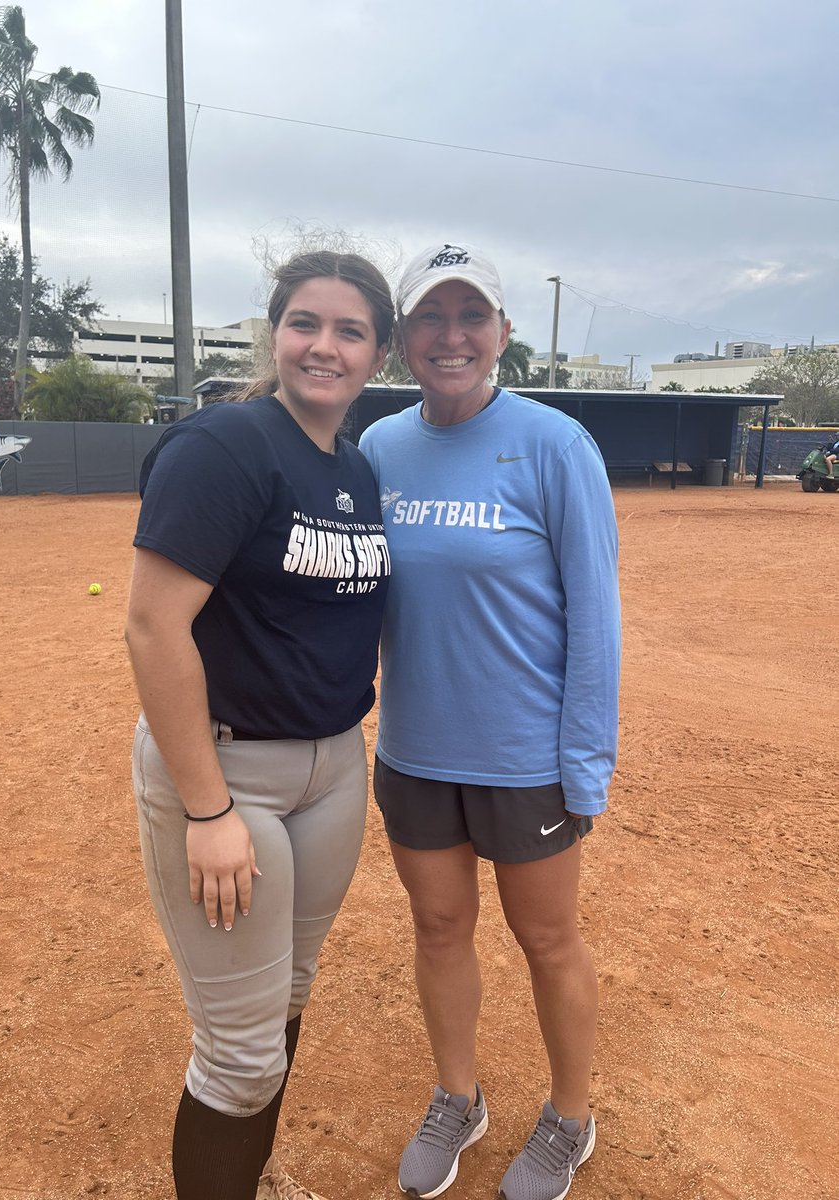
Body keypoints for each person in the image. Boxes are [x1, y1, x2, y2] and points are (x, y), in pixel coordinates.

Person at [125, 250, 392, 1200]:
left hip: (332, 770)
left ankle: (248, 1182)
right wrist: (206, 811)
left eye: (349, 330)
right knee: (238, 1055)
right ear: (274, 334)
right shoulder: (226, 445)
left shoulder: (355, 464)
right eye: (305, 323)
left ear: (377, 352)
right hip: (229, 774)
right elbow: (154, 625)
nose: (324, 346)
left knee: (287, 1000)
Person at [358, 243, 620, 1200]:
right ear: (403, 340)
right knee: (438, 928)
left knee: (548, 940)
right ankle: (457, 1096)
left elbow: (595, 615)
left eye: (473, 316)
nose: (452, 335)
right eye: (431, 317)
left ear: (503, 333)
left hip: (526, 759)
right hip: (416, 753)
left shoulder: (556, 445)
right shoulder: (380, 447)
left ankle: (569, 1118)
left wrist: (584, 762)